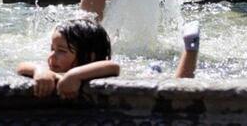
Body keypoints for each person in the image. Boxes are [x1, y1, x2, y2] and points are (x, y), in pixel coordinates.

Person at [18, 18, 200, 97]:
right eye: (52, 48)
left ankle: (190, 49)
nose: (52, 56)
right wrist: (39, 70)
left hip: (139, 82)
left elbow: (113, 67)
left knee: (178, 87)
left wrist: (74, 76)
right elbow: (21, 67)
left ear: (89, 56)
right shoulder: (52, 69)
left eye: (61, 51)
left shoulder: (92, 70)